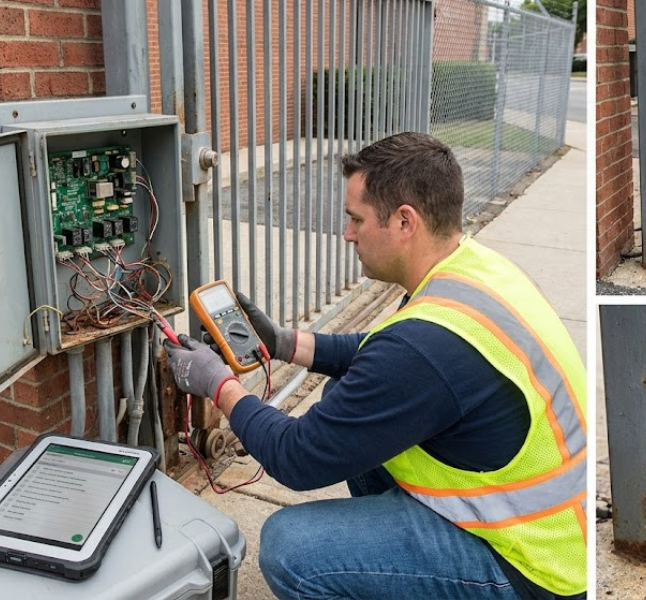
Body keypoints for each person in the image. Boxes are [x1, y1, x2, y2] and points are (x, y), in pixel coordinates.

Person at [165, 131, 587, 600]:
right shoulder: (472, 268)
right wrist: (283, 342)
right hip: (543, 527)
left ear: (405, 221)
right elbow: (379, 351)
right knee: (342, 396)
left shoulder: (424, 348)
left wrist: (218, 384)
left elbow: (297, 456)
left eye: (355, 219)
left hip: (530, 570)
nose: (346, 234)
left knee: (291, 548)